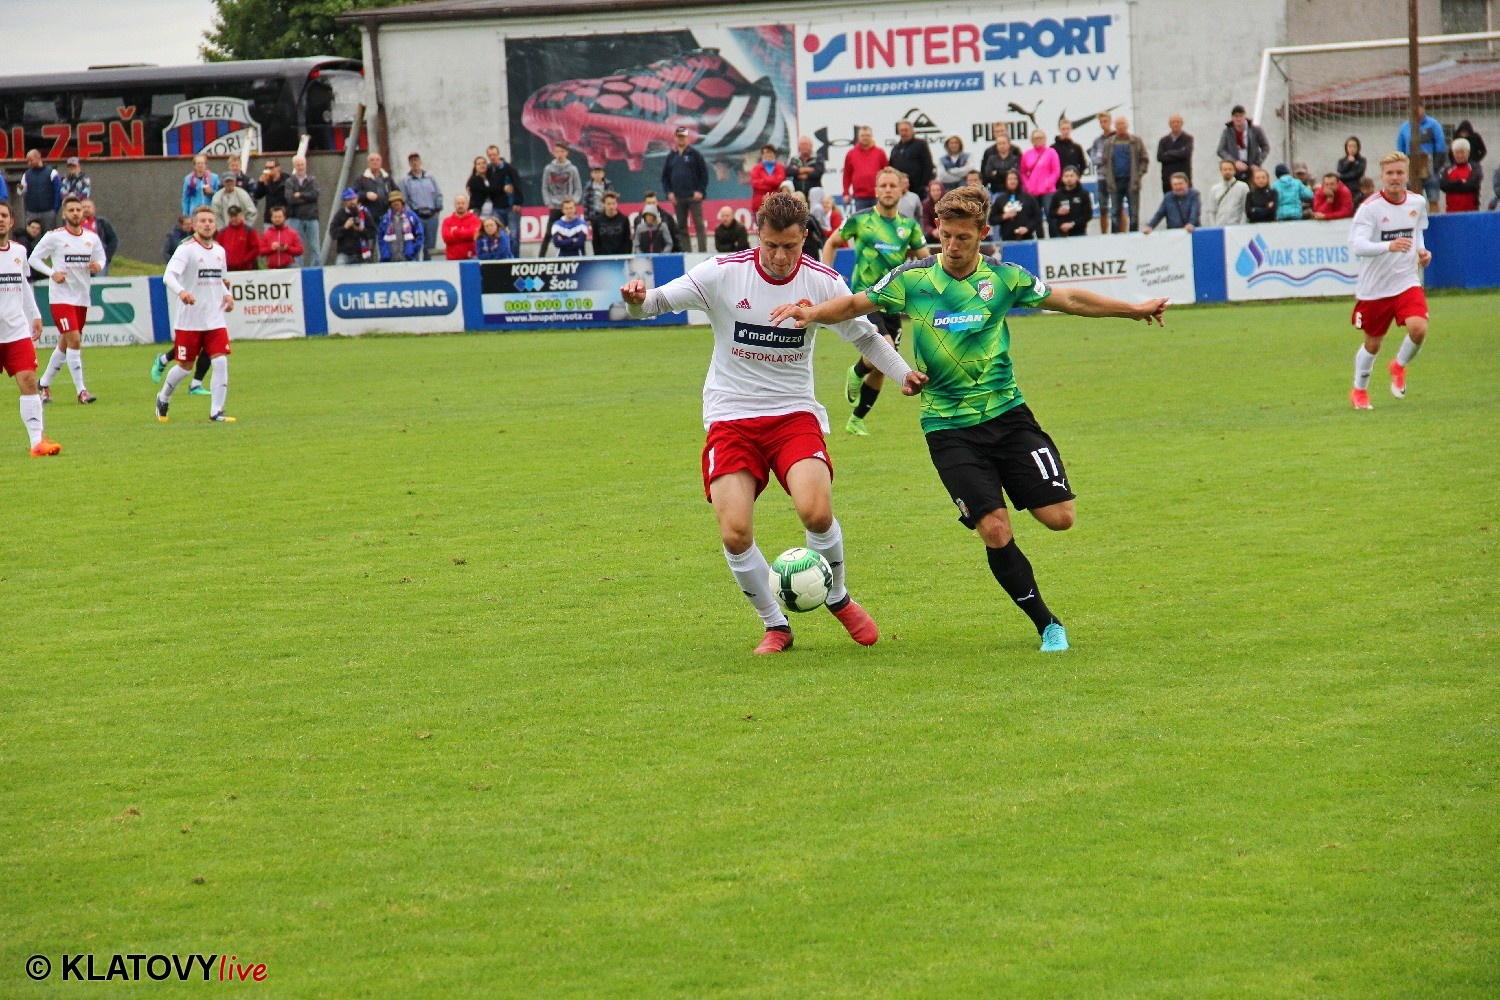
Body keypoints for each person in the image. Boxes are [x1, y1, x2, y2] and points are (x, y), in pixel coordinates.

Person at [769, 185, 1169, 654]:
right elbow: (858, 304)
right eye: (945, 236)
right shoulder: (914, 279)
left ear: (982, 233)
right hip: (948, 428)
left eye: (963, 237)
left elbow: (1070, 299)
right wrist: (812, 312)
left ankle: (1019, 494)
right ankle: (1047, 624)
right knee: (995, 528)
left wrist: (1132, 310)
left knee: (1060, 518)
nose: (952, 246)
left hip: (1009, 417)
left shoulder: (1004, 278)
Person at [621, 190, 924, 655]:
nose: (781, 257)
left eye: (791, 246)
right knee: (734, 532)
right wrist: (636, 301)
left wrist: (904, 375)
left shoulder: (823, 281)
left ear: (805, 239)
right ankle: (775, 625)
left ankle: (838, 596)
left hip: (793, 414)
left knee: (816, 512)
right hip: (731, 417)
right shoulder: (723, 273)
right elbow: (654, 303)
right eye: (771, 246)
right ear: (757, 236)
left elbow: (866, 337)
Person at [822, 166, 930, 435]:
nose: (888, 190)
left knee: (882, 368)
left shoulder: (909, 226)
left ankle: (856, 419)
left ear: (901, 190)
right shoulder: (860, 220)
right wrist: (827, 276)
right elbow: (831, 243)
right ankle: (857, 372)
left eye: (893, 186)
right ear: (876, 190)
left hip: (893, 302)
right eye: (883, 186)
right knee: (887, 348)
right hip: (865, 297)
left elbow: (926, 260)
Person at [1348, 151, 1430, 411]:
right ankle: (1360, 390)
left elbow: (1417, 232)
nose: (1395, 178)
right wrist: (1388, 246)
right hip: (1375, 288)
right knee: (1373, 344)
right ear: (1381, 176)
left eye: (1400, 172)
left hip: (1406, 280)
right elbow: (1358, 246)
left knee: (1419, 328)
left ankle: (1398, 365)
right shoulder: (1370, 208)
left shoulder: (1417, 202)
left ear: (1407, 175)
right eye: (1390, 173)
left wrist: (1422, 252)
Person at [158, 206, 236, 423]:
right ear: (194, 225)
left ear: (216, 225)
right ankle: (163, 397)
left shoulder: (219, 251)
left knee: (220, 361)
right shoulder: (186, 250)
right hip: (190, 320)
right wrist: (182, 292)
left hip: (214, 319)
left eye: (210, 221)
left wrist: (228, 295)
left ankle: (216, 411)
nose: (207, 224)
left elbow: (220, 281)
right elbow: (169, 276)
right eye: (202, 221)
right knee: (184, 367)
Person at [28, 196, 104, 405]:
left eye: (78, 210)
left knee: (65, 343)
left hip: (82, 297)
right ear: (64, 214)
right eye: (71, 210)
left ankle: (43, 384)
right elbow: (33, 258)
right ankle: (82, 391)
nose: (76, 213)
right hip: (61, 297)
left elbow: (101, 257)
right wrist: (52, 273)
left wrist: (98, 265)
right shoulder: (55, 237)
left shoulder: (91, 238)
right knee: (75, 340)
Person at [0, 202, 60, 455]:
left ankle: (37, 442)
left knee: (28, 380)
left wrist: (34, 314)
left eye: (4, 215)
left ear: (11, 222)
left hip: (16, 331)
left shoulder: (19, 251)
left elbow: (23, 284)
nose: (0, 219)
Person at [661, 127, 709, 252]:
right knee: (682, 228)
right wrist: (669, 193)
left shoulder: (695, 154)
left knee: (699, 226)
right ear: (675, 138)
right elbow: (665, 178)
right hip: (678, 198)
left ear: (687, 138)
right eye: (679, 137)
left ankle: (702, 253)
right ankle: (687, 253)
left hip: (694, 197)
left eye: (683, 137)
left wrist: (700, 191)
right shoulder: (671, 156)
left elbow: (704, 174)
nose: (681, 139)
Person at [1100, 116, 1149, 232]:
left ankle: (1133, 236)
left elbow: (1144, 159)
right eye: (1118, 124)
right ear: (1115, 126)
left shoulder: (1136, 141)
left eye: (1123, 124)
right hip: (1115, 182)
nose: (1121, 126)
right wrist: (1108, 177)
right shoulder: (1109, 143)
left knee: (1133, 213)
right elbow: (1104, 163)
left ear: (1127, 125)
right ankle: (1115, 236)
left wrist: (1138, 175)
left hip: (1132, 182)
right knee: (1115, 212)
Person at [1396, 105, 1447, 211]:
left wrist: (1435, 168)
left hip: (1430, 169)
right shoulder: (1404, 127)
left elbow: (1441, 148)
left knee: (1433, 200)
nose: (1416, 112)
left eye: (1418, 108)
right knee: (1414, 203)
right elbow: (1400, 150)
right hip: (1412, 171)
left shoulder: (1433, 124)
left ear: (1423, 108)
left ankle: (1435, 219)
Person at [539, 141, 583, 258]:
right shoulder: (548, 169)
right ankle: (540, 258)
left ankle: (583, 257)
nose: (559, 154)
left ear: (566, 153)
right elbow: (544, 187)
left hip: (569, 208)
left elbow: (578, 188)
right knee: (548, 233)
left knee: (577, 232)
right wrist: (548, 202)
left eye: (562, 151)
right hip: (555, 206)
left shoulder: (572, 169)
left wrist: (573, 202)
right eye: (557, 151)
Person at [400, 153, 443, 261]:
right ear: (409, 164)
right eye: (412, 161)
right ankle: (416, 267)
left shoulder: (430, 178)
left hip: (432, 216)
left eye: (416, 160)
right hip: (416, 216)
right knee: (415, 244)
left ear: (420, 162)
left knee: (430, 246)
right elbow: (404, 200)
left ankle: (429, 267)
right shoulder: (406, 181)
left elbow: (438, 194)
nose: (414, 163)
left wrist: (438, 209)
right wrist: (411, 215)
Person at [1215, 104, 1270, 184]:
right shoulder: (1227, 132)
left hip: (1252, 169)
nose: (1238, 119)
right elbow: (1220, 150)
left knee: (1253, 189)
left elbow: (1265, 147)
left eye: (1241, 116)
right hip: (1234, 170)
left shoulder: (1255, 130)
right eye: (1236, 116)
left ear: (1245, 117)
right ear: (1232, 118)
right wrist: (1234, 162)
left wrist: (1257, 163)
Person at [483, 145, 524, 250]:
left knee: (514, 235)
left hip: (511, 207)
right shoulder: (488, 170)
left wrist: (517, 202)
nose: (492, 157)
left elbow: (518, 185)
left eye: (494, 155)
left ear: (498, 154)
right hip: (497, 207)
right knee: (497, 235)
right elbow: (490, 188)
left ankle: (514, 258)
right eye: (490, 155)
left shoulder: (509, 168)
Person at [1019, 129, 1061, 228]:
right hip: (1032, 191)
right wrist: (1027, 185)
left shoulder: (1051, 152)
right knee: (1036, 218)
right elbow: (1022, 172)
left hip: (1048, 191)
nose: (1038, 140)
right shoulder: (1027, 154)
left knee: (1051, 216)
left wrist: (1049, 183)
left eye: (1040, 137)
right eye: (1036, 138)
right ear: (1032, 140)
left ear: (1045, 139)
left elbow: (1056, 171)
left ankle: (1054, 236)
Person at [841, 125, 887, 213]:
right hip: (859, 197)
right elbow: (846, 175)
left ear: (871, 136)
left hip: (878, 196)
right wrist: (846, 193)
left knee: (879, 220)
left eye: (867, 135)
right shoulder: (851, 154)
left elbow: (886, 173)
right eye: (862, 136)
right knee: (862, 220)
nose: (865, 138)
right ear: (858, 137)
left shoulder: (880, 153)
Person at [285, 156, 320, 266]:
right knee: (297, 247)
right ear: (294, 166)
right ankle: (298, 269)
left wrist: (300, 195)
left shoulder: (312, 180)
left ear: (305, 165)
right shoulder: (290, 181)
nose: (300, 167)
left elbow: (315, 195)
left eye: (302, 165)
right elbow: (290, 199)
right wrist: (307, 198)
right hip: (295, 218)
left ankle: (315, 269)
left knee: (315, 246)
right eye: (298, 165)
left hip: (311, 217)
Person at [989, 169, 1042, 242]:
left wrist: (1027, 228)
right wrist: (1004, 216)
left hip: (1027, 239)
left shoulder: (1028, 198)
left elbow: (1037, 217)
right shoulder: (1000, 199)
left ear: (1019, 181)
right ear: (1006, 181)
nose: (1012, 181)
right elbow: (991, 220)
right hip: (1007, 240)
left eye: (1015, 179)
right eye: (1010, 179)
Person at [19, 150, 63, 232]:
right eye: (28, 161)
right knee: (32, 238)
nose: (29, 163)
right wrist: (20, 189)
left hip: (48, 212)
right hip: (32, 213)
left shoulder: (52, 172)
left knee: (49, 237)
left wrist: (55, 209)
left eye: (30, 160)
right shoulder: (26, 174)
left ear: (38, 158)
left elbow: (59, 191)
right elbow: (21, 191)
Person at [888, 119, 935, 193]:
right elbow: (891, 166)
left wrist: (924, 185)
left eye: (906, 130)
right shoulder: (896, 148)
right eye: (901, 130)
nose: (904, 133)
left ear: (912, 131)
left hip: (918, 189)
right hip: (899, 189)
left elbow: (928, 165)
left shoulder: (920, 144)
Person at [377, 190, 423, 263]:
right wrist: (384, 251)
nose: (396, 203)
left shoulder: (411, 216)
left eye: (398, 200)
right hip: (390, 260)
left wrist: (413, 250)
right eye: (393, 201)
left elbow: (420, 235)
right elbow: (380, 237)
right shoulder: (386, 219)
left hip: (408, 259)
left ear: (402, 202)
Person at [329, 188, 372, 265]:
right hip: (345, 254)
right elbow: (333, 234)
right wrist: (345, 227)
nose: (352, 202)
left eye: (353, 199)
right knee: (339, 266)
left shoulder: (364, 212)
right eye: (349, 200)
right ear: (344, 202)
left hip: (362, 253)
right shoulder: (340, 214)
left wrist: (361, 230)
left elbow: (373, 232)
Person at [1047, 166, 1093, 237]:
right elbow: (1050, 213)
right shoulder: (1057, 195)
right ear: (1062, 178)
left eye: (1071, 176)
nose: (1069, 178)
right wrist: (1057, 212)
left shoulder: (1083, 194)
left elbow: (1088, 215)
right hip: (1061, 234)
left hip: (1079, 233)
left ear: (1077, 177)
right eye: (1066, 176)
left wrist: (1072, 224)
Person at [1438, 138, 1482, 213]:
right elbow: (1444, 186)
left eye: (1462, 152)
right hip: (1451, 213)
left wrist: (1453, 186)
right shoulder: (1447, 169)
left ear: (1468, 153)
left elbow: (1473, 185)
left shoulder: (1475, 167)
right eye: (1457, 153)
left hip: (1471, 212)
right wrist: (1460, 181)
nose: (1459, 155)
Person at [1155, 114, 1194, 194]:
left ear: (1182, 123)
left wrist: (1168, 153)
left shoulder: (1188, 139)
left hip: (1184, 178)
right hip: (1167, 180)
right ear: (1169, 124)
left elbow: (1185, 154)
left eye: (1178, 122)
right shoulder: (1163, 140)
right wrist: (1178, 153)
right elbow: (1160, 157)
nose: (1175, 124)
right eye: (1173, 122)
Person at [1205, 159, 1249, 227]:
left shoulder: (1243, 187)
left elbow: (1245, 209)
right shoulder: (1215, 189)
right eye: (1225, 169)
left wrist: (1242, 226)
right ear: (1221, 171)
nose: (1227, 172)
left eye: (1230, 169)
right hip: (1220, 226)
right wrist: (1214, 227)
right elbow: (1211, 210)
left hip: (1236, 226)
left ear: (1234, 171)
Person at [217, 205, 261, 272]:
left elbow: (256, 249)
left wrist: (244, 261)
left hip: (245, 270)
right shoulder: (223, 232)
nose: (233, 218)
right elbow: (218, 249)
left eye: (235, 216)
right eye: (231, 216)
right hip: (227, 269)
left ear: (241, 215)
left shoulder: (249, 231)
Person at [354, 153, 396, 223]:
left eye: (377, 160)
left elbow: (396, 192)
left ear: (381, 163)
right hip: (369, 218)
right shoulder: (362, 178)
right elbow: (354, 195)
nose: (375, 162)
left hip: (387, 216)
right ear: (368, 163)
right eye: (372, 160)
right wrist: (366, 195)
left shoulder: (387, 177)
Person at [80, 199, 118, 274]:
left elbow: (113, 240)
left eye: (89, 207)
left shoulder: (102, 223)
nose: (86, 209)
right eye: (84, 207)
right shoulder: (75, 224)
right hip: (80, 261)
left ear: (94, 209)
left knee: (99, 281)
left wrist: (106, 257)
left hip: (99, 261)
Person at [980, 128, 1019, 197]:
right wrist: (1007, 172)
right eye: (999, 144)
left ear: (1009, 145)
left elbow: (1014, 174)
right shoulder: (991, 159)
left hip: (1012, 192)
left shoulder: (1014, 159)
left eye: (1004, 143)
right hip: (995, 190)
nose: (1002, 145)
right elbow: (988, 175)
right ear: (996, 146)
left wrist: (997, 173)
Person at [748, 144, 786, 216]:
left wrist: (763, 180)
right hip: (759, 205)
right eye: (765, 153)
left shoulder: (780, 168)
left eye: (770, 152)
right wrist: (772, 183)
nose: (767, 155)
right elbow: (755, 184)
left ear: (774, 154)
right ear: (762, 155)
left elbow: (779, 182)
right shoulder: (756, 168)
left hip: (777, 205)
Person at [441, 194, 482, 260]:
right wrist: (465, 234)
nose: (460, 205)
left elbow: (473, 235)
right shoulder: (447, 221)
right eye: (458, 203)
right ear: (454, 205)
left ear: (468, 205)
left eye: (463, 203)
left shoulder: (474, 219)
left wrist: (455, 231)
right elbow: (447, 238)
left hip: (471, 258)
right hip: (452, 259)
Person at [181, 154, 220, 218]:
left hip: (210, 211)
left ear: (206, 165)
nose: (200, 165)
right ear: (194, 166)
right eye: (198, 163)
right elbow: (186, 198)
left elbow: (219, 195)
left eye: (202, 163)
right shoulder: (188, 179)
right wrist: (185, 215)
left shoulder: (214, 177)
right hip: (194, 213)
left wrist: (212, 192)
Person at [1336, 137, 1366, 207]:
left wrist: (1342, 176)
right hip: (1343, 186)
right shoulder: (1342, 161)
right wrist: (1348, 163)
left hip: (1356, 187)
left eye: (1354, 146)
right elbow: (1340, 171)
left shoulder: (1362, 160)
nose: (1352, 149)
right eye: (1349, 146)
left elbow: (1358, 173)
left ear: (1358, 148)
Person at [920, 177, 947, 244]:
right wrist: (932, 231)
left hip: (947, 232)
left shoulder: (948, 203)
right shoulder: (925, 204)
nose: (936, 193)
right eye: (933, 190)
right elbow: (926, 223)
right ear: (929, 192)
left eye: (938, 190)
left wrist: (942, 231)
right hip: (933, 233)